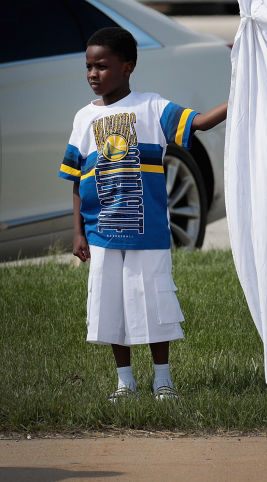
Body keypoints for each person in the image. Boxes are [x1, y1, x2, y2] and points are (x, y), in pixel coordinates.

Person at [58, 27, 227, 401]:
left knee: (153, 304)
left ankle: (163, 380)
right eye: (88, 66)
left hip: (148, 233)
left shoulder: (153, 108)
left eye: (102, 66)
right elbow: (76, 180)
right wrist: (78, 233)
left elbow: (198, 123)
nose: (92, 74)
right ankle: (125, 382)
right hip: (101, 234)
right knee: (111, 306)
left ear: (127, 67)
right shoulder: (83, 118)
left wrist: (240, 98)